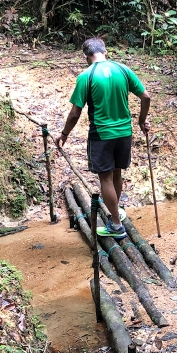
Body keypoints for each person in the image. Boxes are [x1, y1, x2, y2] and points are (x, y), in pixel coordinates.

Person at [56, 38, 150, 238]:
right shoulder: (123, 69)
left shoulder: (86, 76)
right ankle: (117, 212)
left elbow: (75, 113)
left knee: (105, 177)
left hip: (102, 134)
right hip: (124, 132)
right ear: (105, 51)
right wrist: (142, 121)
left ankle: (116, 226)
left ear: (86, 56)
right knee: (117, 173)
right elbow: (146, 97)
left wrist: (64, 134)